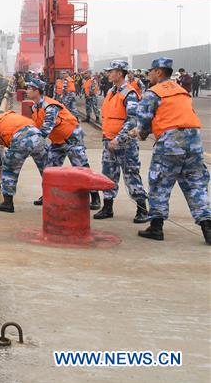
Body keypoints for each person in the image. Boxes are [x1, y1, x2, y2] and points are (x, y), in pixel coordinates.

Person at [129, 57, 211, 244]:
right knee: (196, 185)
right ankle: (208, 227)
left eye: (150, 71)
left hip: (170, 142)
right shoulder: (182, 91)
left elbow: (142, 125)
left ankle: (156, 227)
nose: (148, 74)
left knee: (160, 182)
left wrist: (139, 133)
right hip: (194, 142)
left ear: (158, 72)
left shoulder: (153, 93)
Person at [26, 78, 97, 208]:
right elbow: (36, 127)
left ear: (37, 91)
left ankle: (95, 197)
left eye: (30, 88)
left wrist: (29, 144)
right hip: (58, 140)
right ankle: (49, 195)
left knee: (81, 167)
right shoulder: (35, 106)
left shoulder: (50, 106)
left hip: (71, 138)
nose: (27, 91)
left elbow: (46, 129)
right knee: (50, 169)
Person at [94, 60, 150, 222]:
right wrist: (109, 138)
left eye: (111, 71)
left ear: (119, 73)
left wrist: (119, 139)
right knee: (108, 174)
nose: (108, 74)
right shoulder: (112, 91)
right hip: (109, 140)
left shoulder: (129, 93)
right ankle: (108, 207)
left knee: (131, 174)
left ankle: (142, 210)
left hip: (124, 143)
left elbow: (132, 120)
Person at [0, 106, 46, 213]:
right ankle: (50, 197)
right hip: (37, 135)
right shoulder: (7, 116)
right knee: (46, 169)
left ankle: (7, 203)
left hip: (21, 139)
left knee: (9, 170)